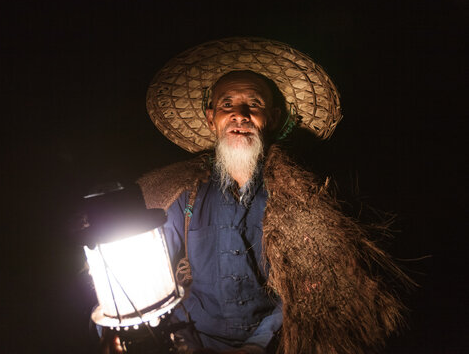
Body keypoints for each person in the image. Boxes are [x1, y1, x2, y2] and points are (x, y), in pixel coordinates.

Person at [137, 38, 409, 354]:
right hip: (194, 340)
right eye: (227, 104)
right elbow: (146, 277)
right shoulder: (179, 194)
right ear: (212, 118)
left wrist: (257, 344)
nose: (240, 115)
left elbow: (311, 288)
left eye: (254, 104)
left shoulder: (302, 196)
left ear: (274, 118)